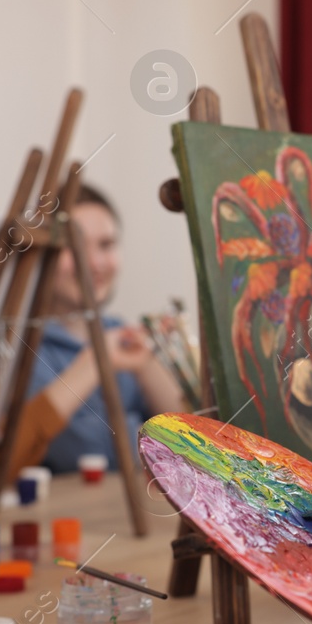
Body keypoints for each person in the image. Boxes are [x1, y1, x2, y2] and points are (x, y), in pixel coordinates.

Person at [22, 185, 185, 474]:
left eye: (106, 244)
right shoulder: (21, 345)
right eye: (74, 247)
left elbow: (191, 441)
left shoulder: (119, 332)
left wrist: (148, 361)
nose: (95, 263)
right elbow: (81, 451)